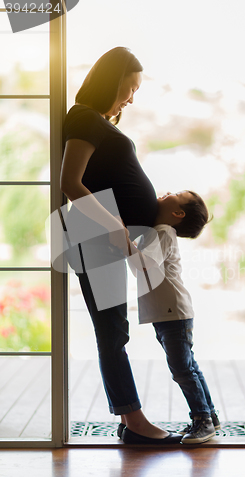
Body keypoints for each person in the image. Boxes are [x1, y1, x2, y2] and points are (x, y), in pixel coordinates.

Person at [60, 47, 182, 445]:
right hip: (95, 237)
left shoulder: (95, 121)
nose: (131, 98)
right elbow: (71, 182)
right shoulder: (82, 117)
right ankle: (134, 422)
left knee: (116, 329)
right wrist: (116, 226)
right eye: (129, 88)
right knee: (111, 331)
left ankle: (130, 420)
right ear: (110, 80)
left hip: (106, 238)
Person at [125, 190, 221, 444]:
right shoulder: (157, 232)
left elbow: (144, 264)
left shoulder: (164, 231)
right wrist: (131, 247)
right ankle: (209, 414)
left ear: (178, 213)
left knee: (181, 370)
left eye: (177, 194)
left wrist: (125, 242)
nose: (168, 192)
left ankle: (203, 421)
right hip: (170, 312)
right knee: (188, 366)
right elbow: (142, 269)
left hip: (172, 313)